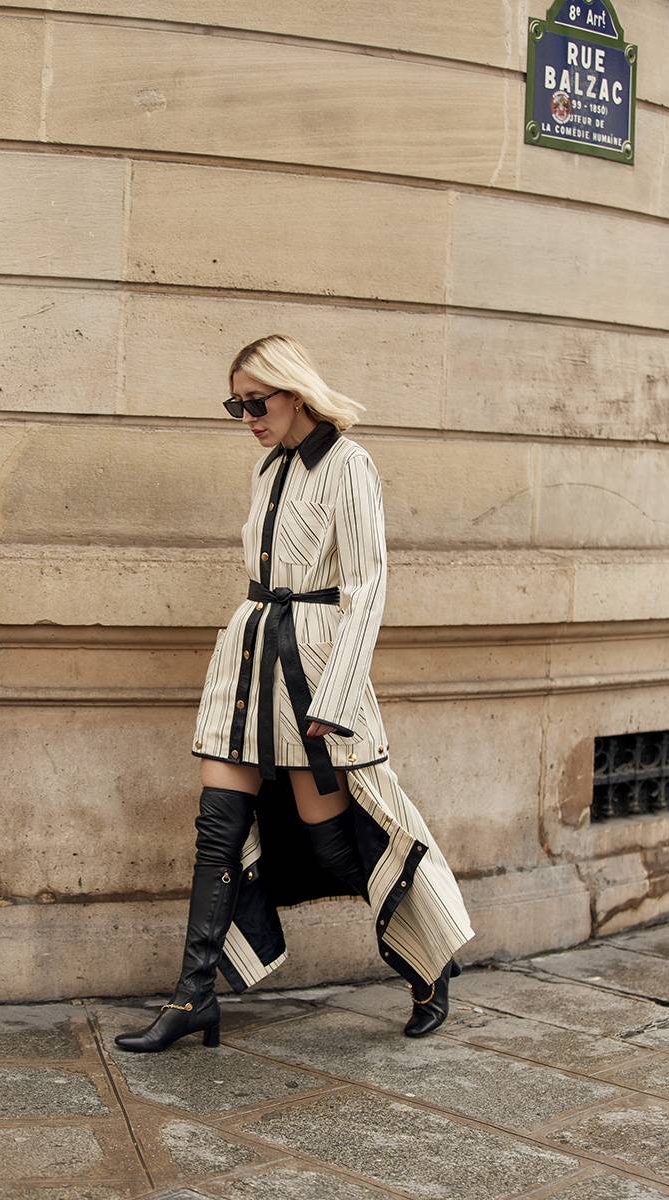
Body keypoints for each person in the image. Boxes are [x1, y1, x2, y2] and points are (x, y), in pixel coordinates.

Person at [114, 335, 475, 1054]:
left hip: (314, 668)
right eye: (236, 404)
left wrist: (335, 695)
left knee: (338, 843)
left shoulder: (350, 464)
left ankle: (427, 963)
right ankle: (193, 999)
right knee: (217, 832)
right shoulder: (267, 467)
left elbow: (368, 585)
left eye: (257, 401)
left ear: (295, 391)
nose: (247, 415)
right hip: (247, 660)